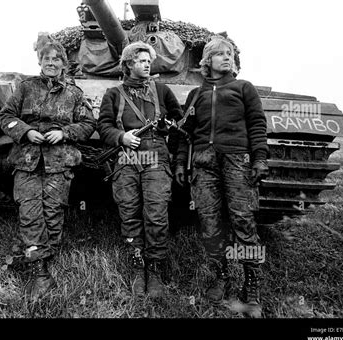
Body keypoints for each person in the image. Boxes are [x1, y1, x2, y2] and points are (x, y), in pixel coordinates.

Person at [175, 36, 269, 314]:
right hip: (204, 164)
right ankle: (221, 275)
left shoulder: (243, 88)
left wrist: (260, 159)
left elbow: (257, 124)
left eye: (230, 54)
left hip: (237, 162)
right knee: (210, 223)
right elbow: (185, 134)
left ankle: (252, 285)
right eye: (220, 54)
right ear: (207, 62)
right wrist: (181, 163)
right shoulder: (196, 95)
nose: (227, 58)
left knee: (244, 221)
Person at [0, 37, 96, 301]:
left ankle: (41, 253)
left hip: (59, 160)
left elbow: (88, 124)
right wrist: (26, 131)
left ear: (64, 63)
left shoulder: (74, 93)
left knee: (53, 211)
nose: (51, 63)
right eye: (46, 59)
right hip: (28, 159)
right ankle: (39, 270)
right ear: (40, 62)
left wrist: (64, 133)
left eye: (56, 59)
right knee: (30, 210)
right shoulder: (25, 88)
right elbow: (5, 116)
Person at [97, 41, 183, 298]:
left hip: (155, 155)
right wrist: (120, 137)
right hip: (126, 157)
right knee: (129, 212)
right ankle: (137, 265)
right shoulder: (113, 93)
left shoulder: (162, 90)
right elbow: (103, 126)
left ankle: (155, 268)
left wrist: (169, 124)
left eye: (149, 60)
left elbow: (178, 119)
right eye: (141, 60)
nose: (147, 64)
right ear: (128, 64)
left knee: (156, 213)